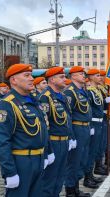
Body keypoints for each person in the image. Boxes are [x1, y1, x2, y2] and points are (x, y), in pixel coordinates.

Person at [0, 64, 49, 197]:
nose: (31, 79)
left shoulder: (34, 101)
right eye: (26, 75)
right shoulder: (6, 104)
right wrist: (9, 172)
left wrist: (45, 154)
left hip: (38, 159)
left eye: (31, 75)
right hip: (21, 162)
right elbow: (1, 142)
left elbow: (43, 130)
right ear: (13, 80)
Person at [40, 67, 76, 197]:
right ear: (52, 79)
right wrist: (47, 150)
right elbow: (44, 127)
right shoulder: (45, 97)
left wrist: (71, 137)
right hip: (53, 142)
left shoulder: (63, 96)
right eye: (61, 77)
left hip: (64, 141)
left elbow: (68, 119)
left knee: (60, 177)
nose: (65, 79)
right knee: (49, 179)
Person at [63, 66, 94, 196]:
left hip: (84, 127)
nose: (83, 76)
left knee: (81, 159)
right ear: (73, 76)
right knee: (74, 161)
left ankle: (75, 188)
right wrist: (71, 136)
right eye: (81, 74)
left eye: (83, 74)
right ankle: (70, 190)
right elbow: (67, 115)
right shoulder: (70, 91)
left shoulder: (81, 91)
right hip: (77, 128)